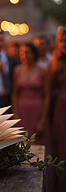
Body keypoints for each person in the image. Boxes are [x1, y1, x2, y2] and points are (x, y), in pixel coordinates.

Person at [12, 43, 51, 147]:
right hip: (21, 110)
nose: (24, 55)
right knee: (21, 143)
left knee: (37, 142)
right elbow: (14, 94)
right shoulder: (17, 70)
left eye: (27, 52)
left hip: (37, 110)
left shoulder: (43, 71)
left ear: (34, 54)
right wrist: (15, 114)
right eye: (21, 53)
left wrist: (42, 120)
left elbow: (47, 95)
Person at [49, 28, 66, 191]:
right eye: (63, 41)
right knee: (61, 145)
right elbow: (49, 88)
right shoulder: (54, 61)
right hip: (61, 107)